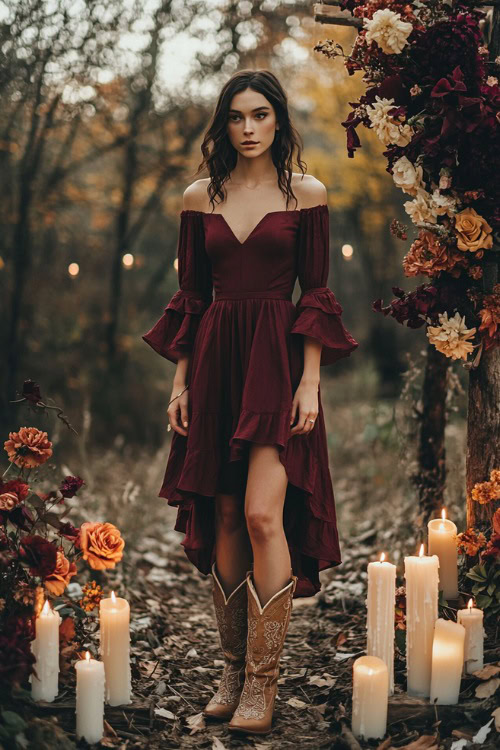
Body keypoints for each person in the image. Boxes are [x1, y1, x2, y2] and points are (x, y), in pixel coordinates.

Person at [142, 69, 359, 735]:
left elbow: (315, 295)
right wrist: (179, 383)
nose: (248, 127)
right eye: (236, 116)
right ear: (223, 124)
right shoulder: (197, 198)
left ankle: (264, 684)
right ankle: (231, 670)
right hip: (212, 365)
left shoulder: (308, 196)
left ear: (279, 121)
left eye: (260, 115)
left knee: (266, 514)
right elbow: (192, 301)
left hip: (275, 363)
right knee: (228, 511)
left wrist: (310, 381)